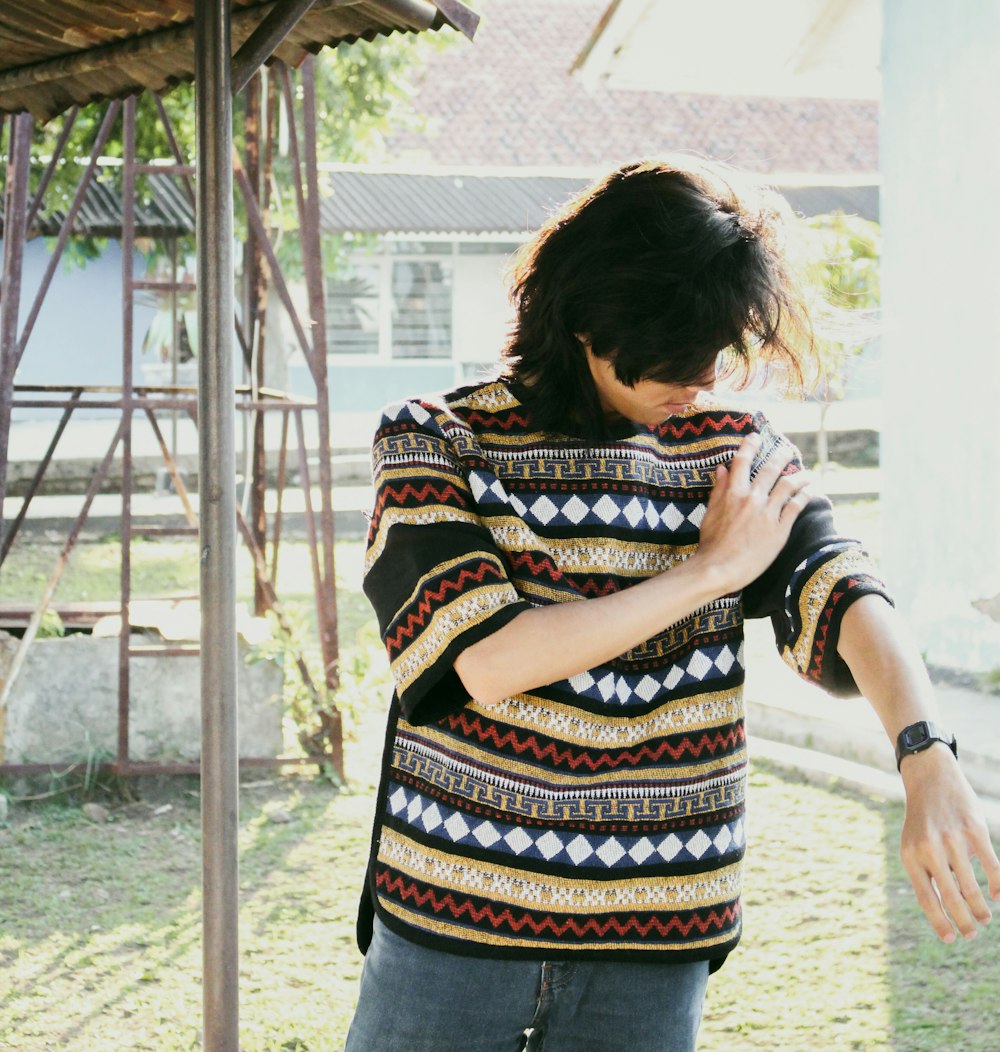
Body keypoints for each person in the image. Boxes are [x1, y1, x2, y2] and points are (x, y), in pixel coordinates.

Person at [344, 158, 999, 1052]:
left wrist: (926, 755)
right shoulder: (436, 439)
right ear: (585, 319)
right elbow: (488, 660)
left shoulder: (732, 447)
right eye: (679, 347)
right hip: (453, 929)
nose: (703, 374)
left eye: (718, 346)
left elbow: (844, 587)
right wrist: (705, 573)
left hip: (655, 940)